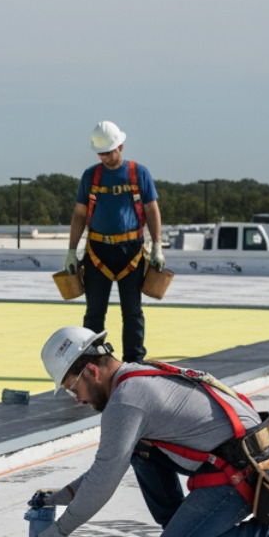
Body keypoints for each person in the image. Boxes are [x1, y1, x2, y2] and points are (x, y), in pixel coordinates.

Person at [29, 326, 269, 537]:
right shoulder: (140, 374)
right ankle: (179, 534)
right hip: (249, 456)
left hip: (245, 471)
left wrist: (59, 530)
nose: (77, 399)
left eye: (72, 388)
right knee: (139, 450)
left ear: (92, 371)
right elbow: (106, 466)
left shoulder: (126, 402)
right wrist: (60, 497)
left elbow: (103, 480)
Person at [64, 121, 163, 363]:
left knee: (132, 312)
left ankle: (134, 363)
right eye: (101, 153)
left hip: (131, 251)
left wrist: (158, 246)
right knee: (94, 313)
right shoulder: (91, 176)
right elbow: (79, 214)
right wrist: (71, 251)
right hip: (98, 251)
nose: (106, 157)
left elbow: (152, 209)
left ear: (121, 146)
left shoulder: (138, 173)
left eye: (109, 152)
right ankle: (93, 360)